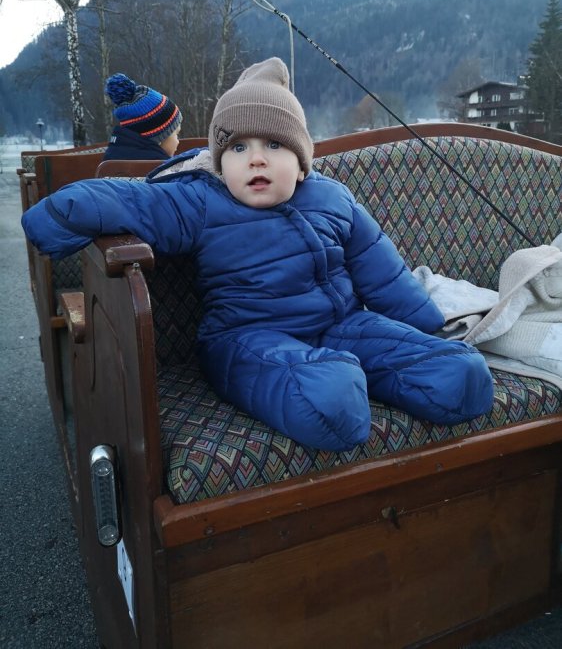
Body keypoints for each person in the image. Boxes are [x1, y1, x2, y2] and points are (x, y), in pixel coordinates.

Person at [22, 57, 494, 451]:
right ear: (219, 161)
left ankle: (399, 373)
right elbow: (130, 201)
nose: (256, 158)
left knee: (462, 372)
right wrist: (58, 215)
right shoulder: (201, 201)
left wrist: (427, 327)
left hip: (342, 326)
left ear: (301, 160)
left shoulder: (332, 198)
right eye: (238, 147)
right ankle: (331, 383)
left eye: (274, 144)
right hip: (246, 337)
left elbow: (384, 274)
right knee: (329, 395)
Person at [103, 72, 182, 160]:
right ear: (158, 139)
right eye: (176, 134)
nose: (178, 142)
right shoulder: (160, 165)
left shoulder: (113, 157)